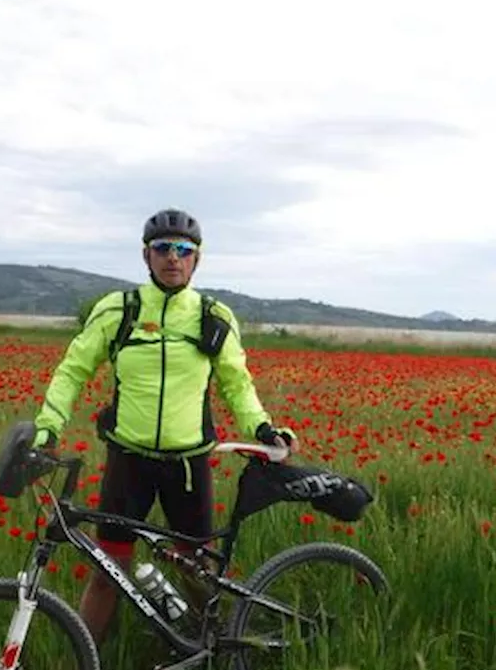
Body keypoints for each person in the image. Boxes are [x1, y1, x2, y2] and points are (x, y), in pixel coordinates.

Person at [31, 208, 298, 642]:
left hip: (188, 466)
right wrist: (48, 428)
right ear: (146, 255)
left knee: (197, 569)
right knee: (107, 572)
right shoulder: (120, 310)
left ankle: (209, 652)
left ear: (197, 259)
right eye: (162, 248)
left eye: (183, 250)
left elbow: (237, 384)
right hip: (128, 461)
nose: (172, 258)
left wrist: (263, 428)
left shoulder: (214, 317)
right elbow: (73, 370)